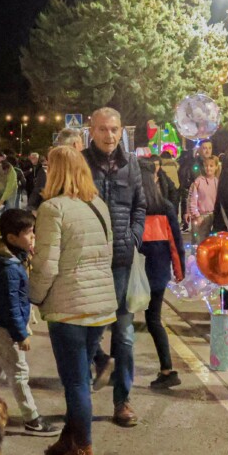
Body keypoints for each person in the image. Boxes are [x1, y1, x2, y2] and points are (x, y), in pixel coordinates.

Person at [30, 146, 117, 455]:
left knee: (76, 381)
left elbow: (47, 264)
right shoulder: (98, 205)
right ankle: (70, 437)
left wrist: (34, 296)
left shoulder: (53, 209)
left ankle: (83, 451)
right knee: (80, 376)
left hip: (69, 307)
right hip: (99, 306)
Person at [83, 107, 146, 427]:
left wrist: (134, 236)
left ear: (121, 132)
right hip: (89, 262)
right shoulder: (80, 163)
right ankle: (81, 397)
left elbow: (140, 205)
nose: (109, 135)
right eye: (103, 129)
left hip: (121, 260)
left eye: (114, 130)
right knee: (90, 332)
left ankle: (122, 400)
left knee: (124, 336)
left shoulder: (131, 164)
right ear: (91, 131)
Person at [0, 209, 59, 435]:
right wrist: (20, 333)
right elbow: (10, 304)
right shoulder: (7, 267)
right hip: (6, 325)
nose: (33, 237)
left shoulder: (9, 257)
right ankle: (32, 418)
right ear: (12, 238)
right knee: (18, 371)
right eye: (29, 233)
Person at [138, 158, 185, 389]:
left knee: (122, 320)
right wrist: (179, 270)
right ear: (155, 177)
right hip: (158, 273)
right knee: (154, 319)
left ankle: (115, 368)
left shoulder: (129, 207)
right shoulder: (165, 206)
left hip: (133, 273)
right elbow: (176, 243)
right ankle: (166, 368)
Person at [187, 155, 220, 244]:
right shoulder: (198, 181)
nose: (208, 168)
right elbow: (192, 199)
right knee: (198, 243)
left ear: (216, 167)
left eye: (211, 166)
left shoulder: (217, 182)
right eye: (206, 166)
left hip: (212, 216)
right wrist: (196, 215)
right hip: (200, 216)